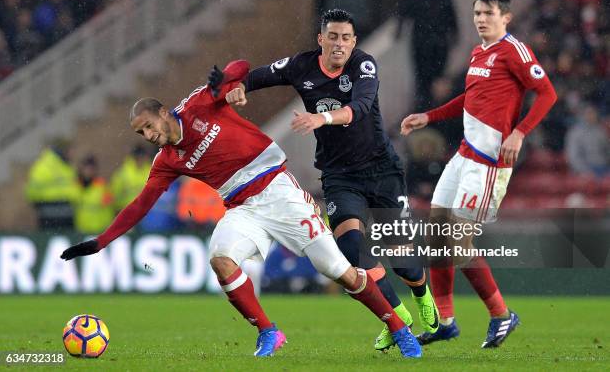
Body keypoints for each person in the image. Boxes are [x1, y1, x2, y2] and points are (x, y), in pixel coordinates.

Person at [60, 60, 422, 359]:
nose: (148, 135)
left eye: (149, 126)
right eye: (141, 134)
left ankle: (398, 328)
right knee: (220, 258)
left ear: (162, 112)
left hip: (278, 190)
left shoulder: (199, 105)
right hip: (242, 207)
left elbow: (240, 70)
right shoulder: (167, 161)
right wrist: (100, 242)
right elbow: (141, 205)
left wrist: (227, 77)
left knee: (339, 270)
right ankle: (268, 331)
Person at [229, 8, 439, 352]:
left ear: (354, 42)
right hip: (340, 176)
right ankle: (397, 316)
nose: (339, 44)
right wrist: (238, 86)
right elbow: (258, 77)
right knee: (352, 249)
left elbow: (361, 105)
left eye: (345, 38)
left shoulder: (364, 65)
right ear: (321, 39)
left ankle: (421, 294)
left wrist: (321, 118)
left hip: (382, 171)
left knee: (403, 263)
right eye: (333, 37)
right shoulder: (301, 65)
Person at [400, 0, 558, 348]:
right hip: (463, 156)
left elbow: (548, 93)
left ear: (506, 17)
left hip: (488, 165)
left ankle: (502, 316)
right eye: (477, 14)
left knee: (458, 241)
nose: (481, 20)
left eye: (488, 13)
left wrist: (519, 133)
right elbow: (470, 100)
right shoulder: (479, 53)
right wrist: (430, 116)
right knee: (437, 235)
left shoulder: (514, 51)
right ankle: (446, 321)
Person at [395, 0, 458, 110]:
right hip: (421, 43)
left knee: (438, 75)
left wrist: (454, 34)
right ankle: (423, 104)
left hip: (439, 44)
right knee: (421, 76)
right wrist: (399, 30)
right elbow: (403, 11)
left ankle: (437, 104)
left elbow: (451, 16)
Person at [25, 139, 79, 231]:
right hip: (51, 217)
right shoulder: (45, 166)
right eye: (70, 150)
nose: (72, 154)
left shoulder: (66, 166)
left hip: (66, 216)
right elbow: (32, 192)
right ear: (63, 150)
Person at [74, 155, 114, 235]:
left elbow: (110, 206)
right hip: (82, 230)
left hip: (100, 230)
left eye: (91, 169)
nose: (88, 172)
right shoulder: (76, 186)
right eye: (86, 169)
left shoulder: (102, 186)